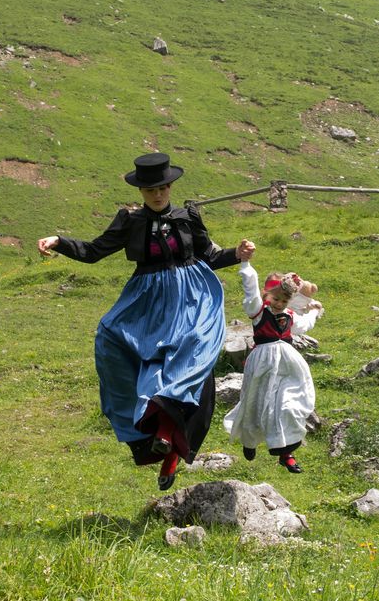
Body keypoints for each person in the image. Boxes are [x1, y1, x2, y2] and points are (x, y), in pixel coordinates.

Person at [37, 152, 254, 490]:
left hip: (190, 297)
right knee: (114, 339)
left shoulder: (187, 217)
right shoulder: (129, 221)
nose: (158, 195)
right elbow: (94, 251)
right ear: (141, 191)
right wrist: (59, 242)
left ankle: (170, 449)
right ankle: (154, 436)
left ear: (170, 186)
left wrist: (236, 255)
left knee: (192, 364)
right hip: (147, 301)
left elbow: (210, 256)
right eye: (151, 189)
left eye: (163, 188)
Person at [223, 263, 323, 473]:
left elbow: (304, 325)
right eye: (275, 298)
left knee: (288, 405)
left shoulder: (290, 316)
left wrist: (314, 311)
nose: (279, 303)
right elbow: (250, 290)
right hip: (262, 365)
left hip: (288, 365)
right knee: (255, 403)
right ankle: (249, 441)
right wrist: (246, 264)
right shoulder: (258, 312)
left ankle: (286, 453)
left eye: (284, 300)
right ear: (266, 295)